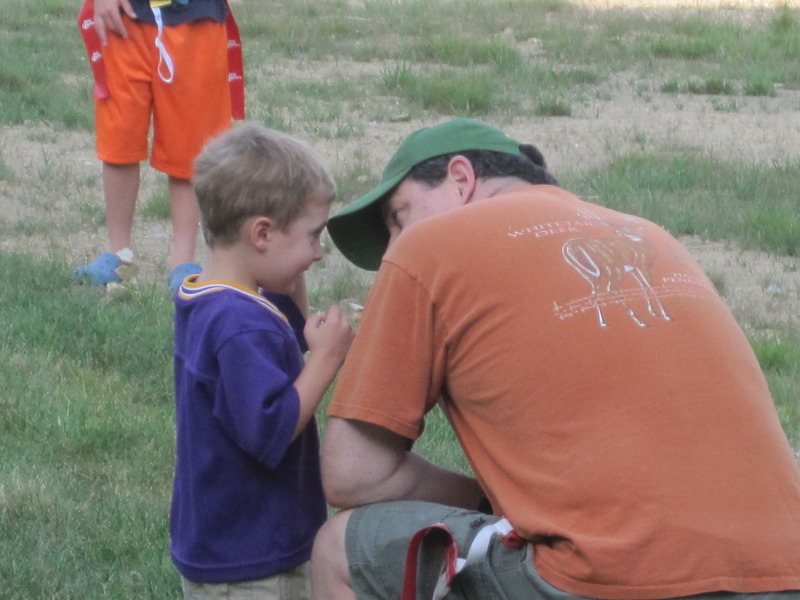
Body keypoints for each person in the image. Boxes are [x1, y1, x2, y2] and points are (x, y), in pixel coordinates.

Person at [311, 118, 800, 600]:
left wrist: (485, 502)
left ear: (461, 178)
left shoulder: (427, 246)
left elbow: (354, 475)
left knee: (340, 548)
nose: (394, 245)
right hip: (784, 569)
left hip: (609, 578)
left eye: (398, 217)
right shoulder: (652, 236)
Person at [171, 122, 354, 599]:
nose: (318, 254)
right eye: (313, 236)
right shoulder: (241, 325)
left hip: (226, 543)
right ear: (262, 233)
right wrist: (327, 359)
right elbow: (270, 429)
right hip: (251, 561)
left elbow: (285, 335)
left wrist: (294, 282)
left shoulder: (211, 298)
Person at [74, 0, 241, 291]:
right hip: (123, 17)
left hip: (197, 18)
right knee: (119, 138)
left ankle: (182, 261)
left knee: (191, 146)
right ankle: (119, 255)